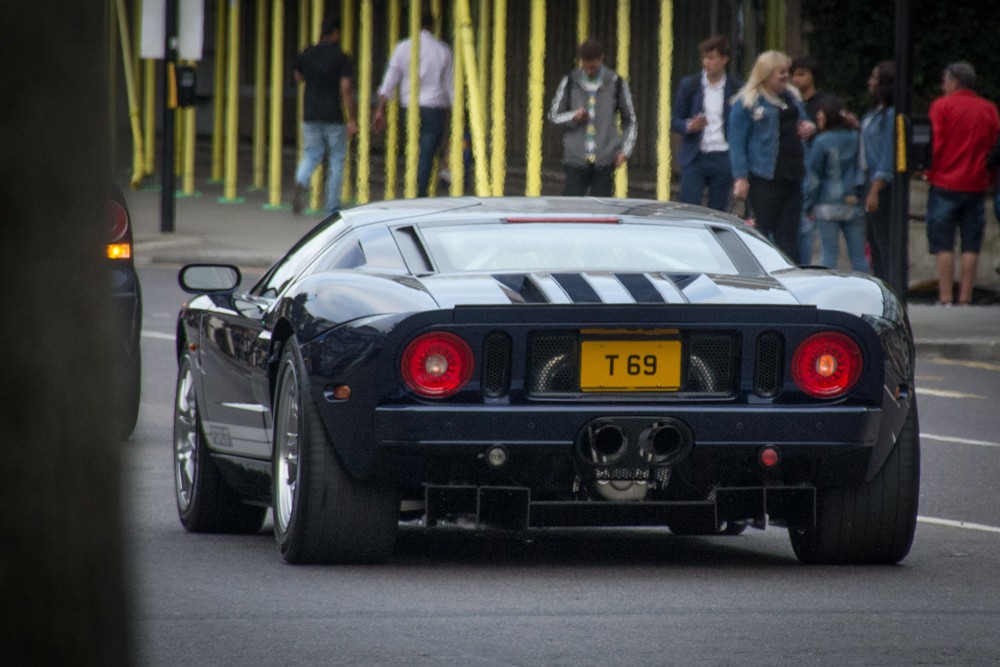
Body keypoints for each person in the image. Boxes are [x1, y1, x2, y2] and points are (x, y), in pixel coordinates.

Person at [925, 61, 1000, 305]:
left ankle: (946, 297)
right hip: (977, 183)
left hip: (945, 182)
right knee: (971, 243)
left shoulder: (942, 106)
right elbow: (993, 148)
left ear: (954, 82)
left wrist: (929, 171)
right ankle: (965, 298)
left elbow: (936, 143)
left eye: (945, 81)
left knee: (943, 242)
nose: (943, 86)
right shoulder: (989, 109)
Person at [729, 50, 814, 263]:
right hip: (764, 178)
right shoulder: (748, 102)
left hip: (793, 176)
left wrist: (809, 127)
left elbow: (804, 122)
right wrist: (741, 177)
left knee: (789, 236)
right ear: (766, 75)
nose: (787, 76)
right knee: (761, 233)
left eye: (788, 71)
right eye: (781, 73)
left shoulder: (792, 97)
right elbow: (737, 142)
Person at [373, 11, 454, 198]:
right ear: (433, 26)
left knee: (412, 149)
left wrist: (379, 109)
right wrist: (454, 114)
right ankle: (421, 191)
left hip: (409, 107)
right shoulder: (443, 50)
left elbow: (390, 79)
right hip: (434, 107)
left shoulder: (403, 47)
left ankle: (413, 187)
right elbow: (449, 87)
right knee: (427, 152)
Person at [548, 38, 637, 196]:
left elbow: (630, 120)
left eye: (593, 67)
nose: (589, 70)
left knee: (602, 210)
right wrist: (573, 117)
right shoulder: (570, 81)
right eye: (585, 66)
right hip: (575, 159)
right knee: (572, 209)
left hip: (605, 160)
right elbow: (554, 115)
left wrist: (625, 150)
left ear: (601, 58)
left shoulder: (616, 82)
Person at [291, 17, 357, 216]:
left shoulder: (307, 53)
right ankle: (332, 206)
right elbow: (345, 88)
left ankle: (301, 181)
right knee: (337, 159)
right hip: (333, 115)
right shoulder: (342, 57)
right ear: (335, 33)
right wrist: (352, 118)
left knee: (311, 154)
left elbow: (298, 77)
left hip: (310, 113)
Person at [671, 35, 742, 211]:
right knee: (689, 209)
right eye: (704, 57)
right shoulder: (690, 85)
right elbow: (674, 120)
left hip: (723, 156)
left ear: (724, 60)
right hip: (696, 156)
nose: (706, 62)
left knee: (718, 211)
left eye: (711, 58)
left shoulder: (736, 87)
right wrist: (689, 125)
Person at [804, 95, 868, 273]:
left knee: (829, 254)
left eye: (820, 114)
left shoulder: (821, 141)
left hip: (827, 205)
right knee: (859, 257)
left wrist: (808, 204)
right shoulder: (856, 137)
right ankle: (866, 294)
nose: (818, 117)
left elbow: (814, 176)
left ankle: (827, 297)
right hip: (854, 202)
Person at [859, 61, 895, 282]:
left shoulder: (890, 115)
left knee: (884, 240)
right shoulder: (875, 112)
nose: (870, 82)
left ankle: (890, 281)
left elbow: (888, 154)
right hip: (868, 180)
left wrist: (875, 190)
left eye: (875, 77)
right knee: (873, 239)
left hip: (881, 185)